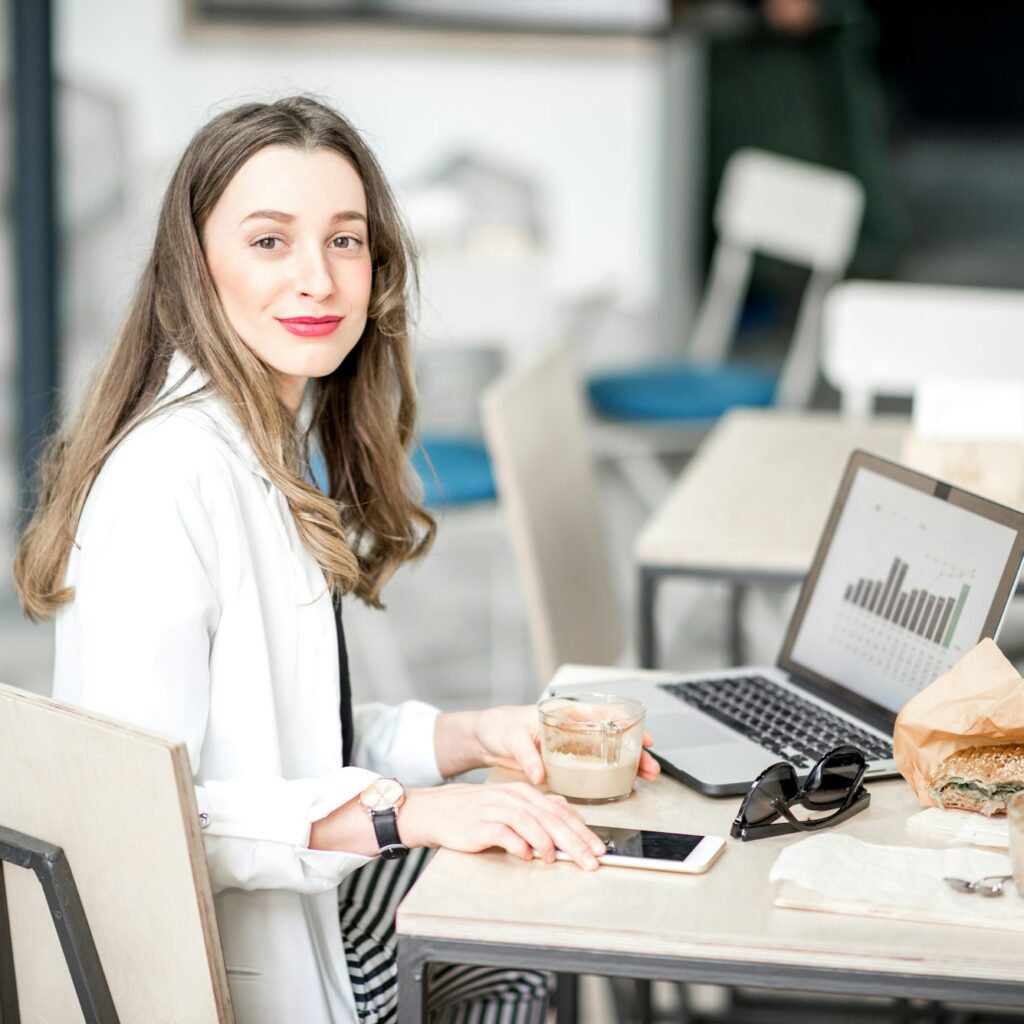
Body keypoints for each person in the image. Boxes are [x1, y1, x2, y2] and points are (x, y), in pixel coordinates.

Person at [12, 96, 660, 1024]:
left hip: (296, 902)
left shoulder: (261, 441)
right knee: (527, 949)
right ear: (195, 268)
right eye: (269, 241)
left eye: (344, 241)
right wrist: (405, 816)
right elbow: (143, 820)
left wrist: (475, 737)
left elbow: (297, 736)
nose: (317, 279)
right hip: (221, 970)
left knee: (539, 906)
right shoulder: (166, 481)